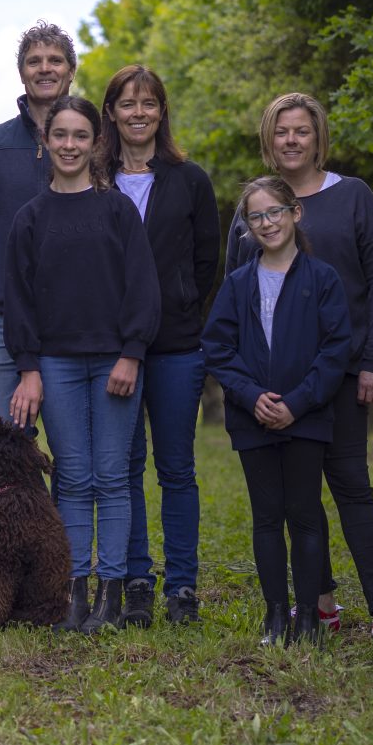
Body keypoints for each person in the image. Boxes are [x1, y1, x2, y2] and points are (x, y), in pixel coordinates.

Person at [224, 91, 373, 648]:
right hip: (276, 386)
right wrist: (252, 386)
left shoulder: (353, 198)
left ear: (317, 137)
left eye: (302, 130)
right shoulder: (254, 206)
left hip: (341, 375)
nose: (292, 140)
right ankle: (319, 601)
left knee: (351, 488)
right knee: (296, 498)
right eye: (282, 132)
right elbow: (238, 295)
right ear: (268, 139)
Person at [4, 96, 160, 633]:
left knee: (112, 478)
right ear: (45, 142)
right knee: (71, 478)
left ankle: (111, 598)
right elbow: (18, 299)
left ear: (97, 143)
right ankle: (74, 595)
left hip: (115, 361)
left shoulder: (117, 209)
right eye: (60, 135)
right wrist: (29, 368)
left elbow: (143, 287)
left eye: (81, 136)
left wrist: (132, 353)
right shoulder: (30, 218)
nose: (69, 145)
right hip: (57, 364)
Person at [204, 175, 352, 646]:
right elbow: (218, 347)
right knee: (266, 517)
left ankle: (308, 615)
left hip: (306, 418)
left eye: (275, 212)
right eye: (256, 216)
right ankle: (274, 616)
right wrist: (251, 397)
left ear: (295, 213)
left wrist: (297, 402)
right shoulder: (238, 283)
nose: (267, 223)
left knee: (305, 514)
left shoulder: (322, 279)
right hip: (253, 420)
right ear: (247, 227)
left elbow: (335, 351)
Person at [99, 65, 219, 628]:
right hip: (110, 346)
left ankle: (183, 586)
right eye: (128, 103)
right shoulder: (93, 178)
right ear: (112, 112)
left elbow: (205, 262)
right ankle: (137, 580)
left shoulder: (190, 179)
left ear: (162, 111)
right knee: (124, 467)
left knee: (176, 469)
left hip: (175, 347)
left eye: (149, 103)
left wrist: (180, 305)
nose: (139, 113)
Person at [0, 21, 75, 421]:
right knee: (4, 444)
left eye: (55, 60)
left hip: (76, 316)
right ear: (22, 72)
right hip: (8, 315)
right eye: (34, 61)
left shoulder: (93, 137)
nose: (45, 68)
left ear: (70, 71)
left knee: (73, 453)